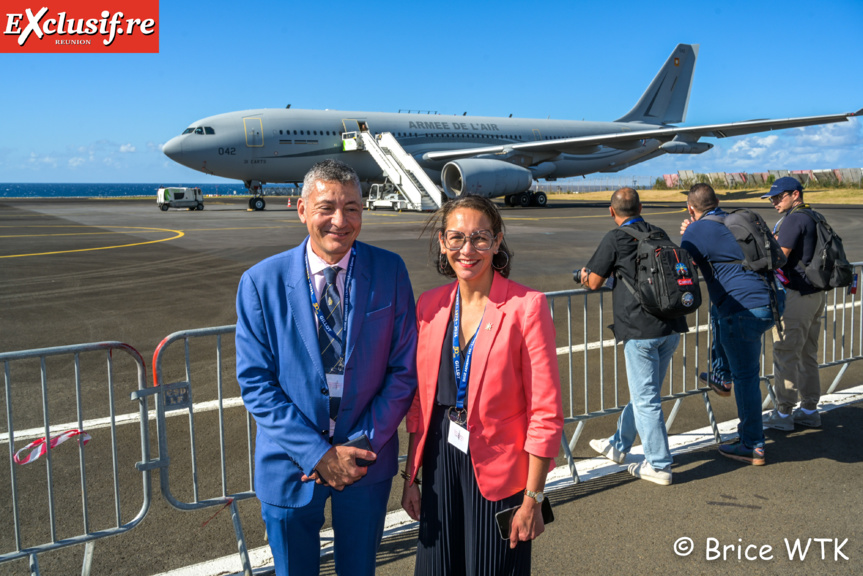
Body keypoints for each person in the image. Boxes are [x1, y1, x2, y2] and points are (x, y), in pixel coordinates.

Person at [235, 159, 418, 576]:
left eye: (352, 208)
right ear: (301, 209)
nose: (341, 220)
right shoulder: (261, 282)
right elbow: (256, 383)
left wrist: (361, 445)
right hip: (290, 464)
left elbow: (403, 370)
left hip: (364, 460)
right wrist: (317, 454)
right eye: (327, 207)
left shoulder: (389, 271)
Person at [401, 195, 564, 575]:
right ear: (443, 242)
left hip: (501, 468)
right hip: (440, 462)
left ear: (497, 241)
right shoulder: (430, 305)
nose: (467, 249)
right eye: (456, 238)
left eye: (480, 237)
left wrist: (534, 499)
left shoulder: (527, 306)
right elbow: (420, 405)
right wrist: (411, 478)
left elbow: (546, 411)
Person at [579, 188, 687, 486]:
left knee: (646, 398)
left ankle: (659, 464)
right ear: (641, 207)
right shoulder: (659, 232)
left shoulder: (615, 238)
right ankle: (618, 444)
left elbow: (595, 281)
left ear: (611, 212)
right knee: (646, 393)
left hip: (640, 330)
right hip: (671, 325)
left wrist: (582, 276)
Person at [680, 183, 774, 465]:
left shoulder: (696, 230)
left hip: (740, 308)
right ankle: (723, 376)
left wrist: (687, 235)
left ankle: (752, 444)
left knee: (747, 378)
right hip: (769, 302)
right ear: (718, 201)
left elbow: (685, 267)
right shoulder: (736, 220)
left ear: (690, 209)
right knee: (723, 321)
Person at [761, 176, 825, 430]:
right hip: (816, 294)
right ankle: (809, 409)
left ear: (795, 195)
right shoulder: (813, 216)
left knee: (786, 354)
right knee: (807, 353)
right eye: (773, 197)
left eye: (780, 196)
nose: (775, 201)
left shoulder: (793, 220)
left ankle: (784, 414)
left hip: (796, 296)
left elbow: (778, 258)